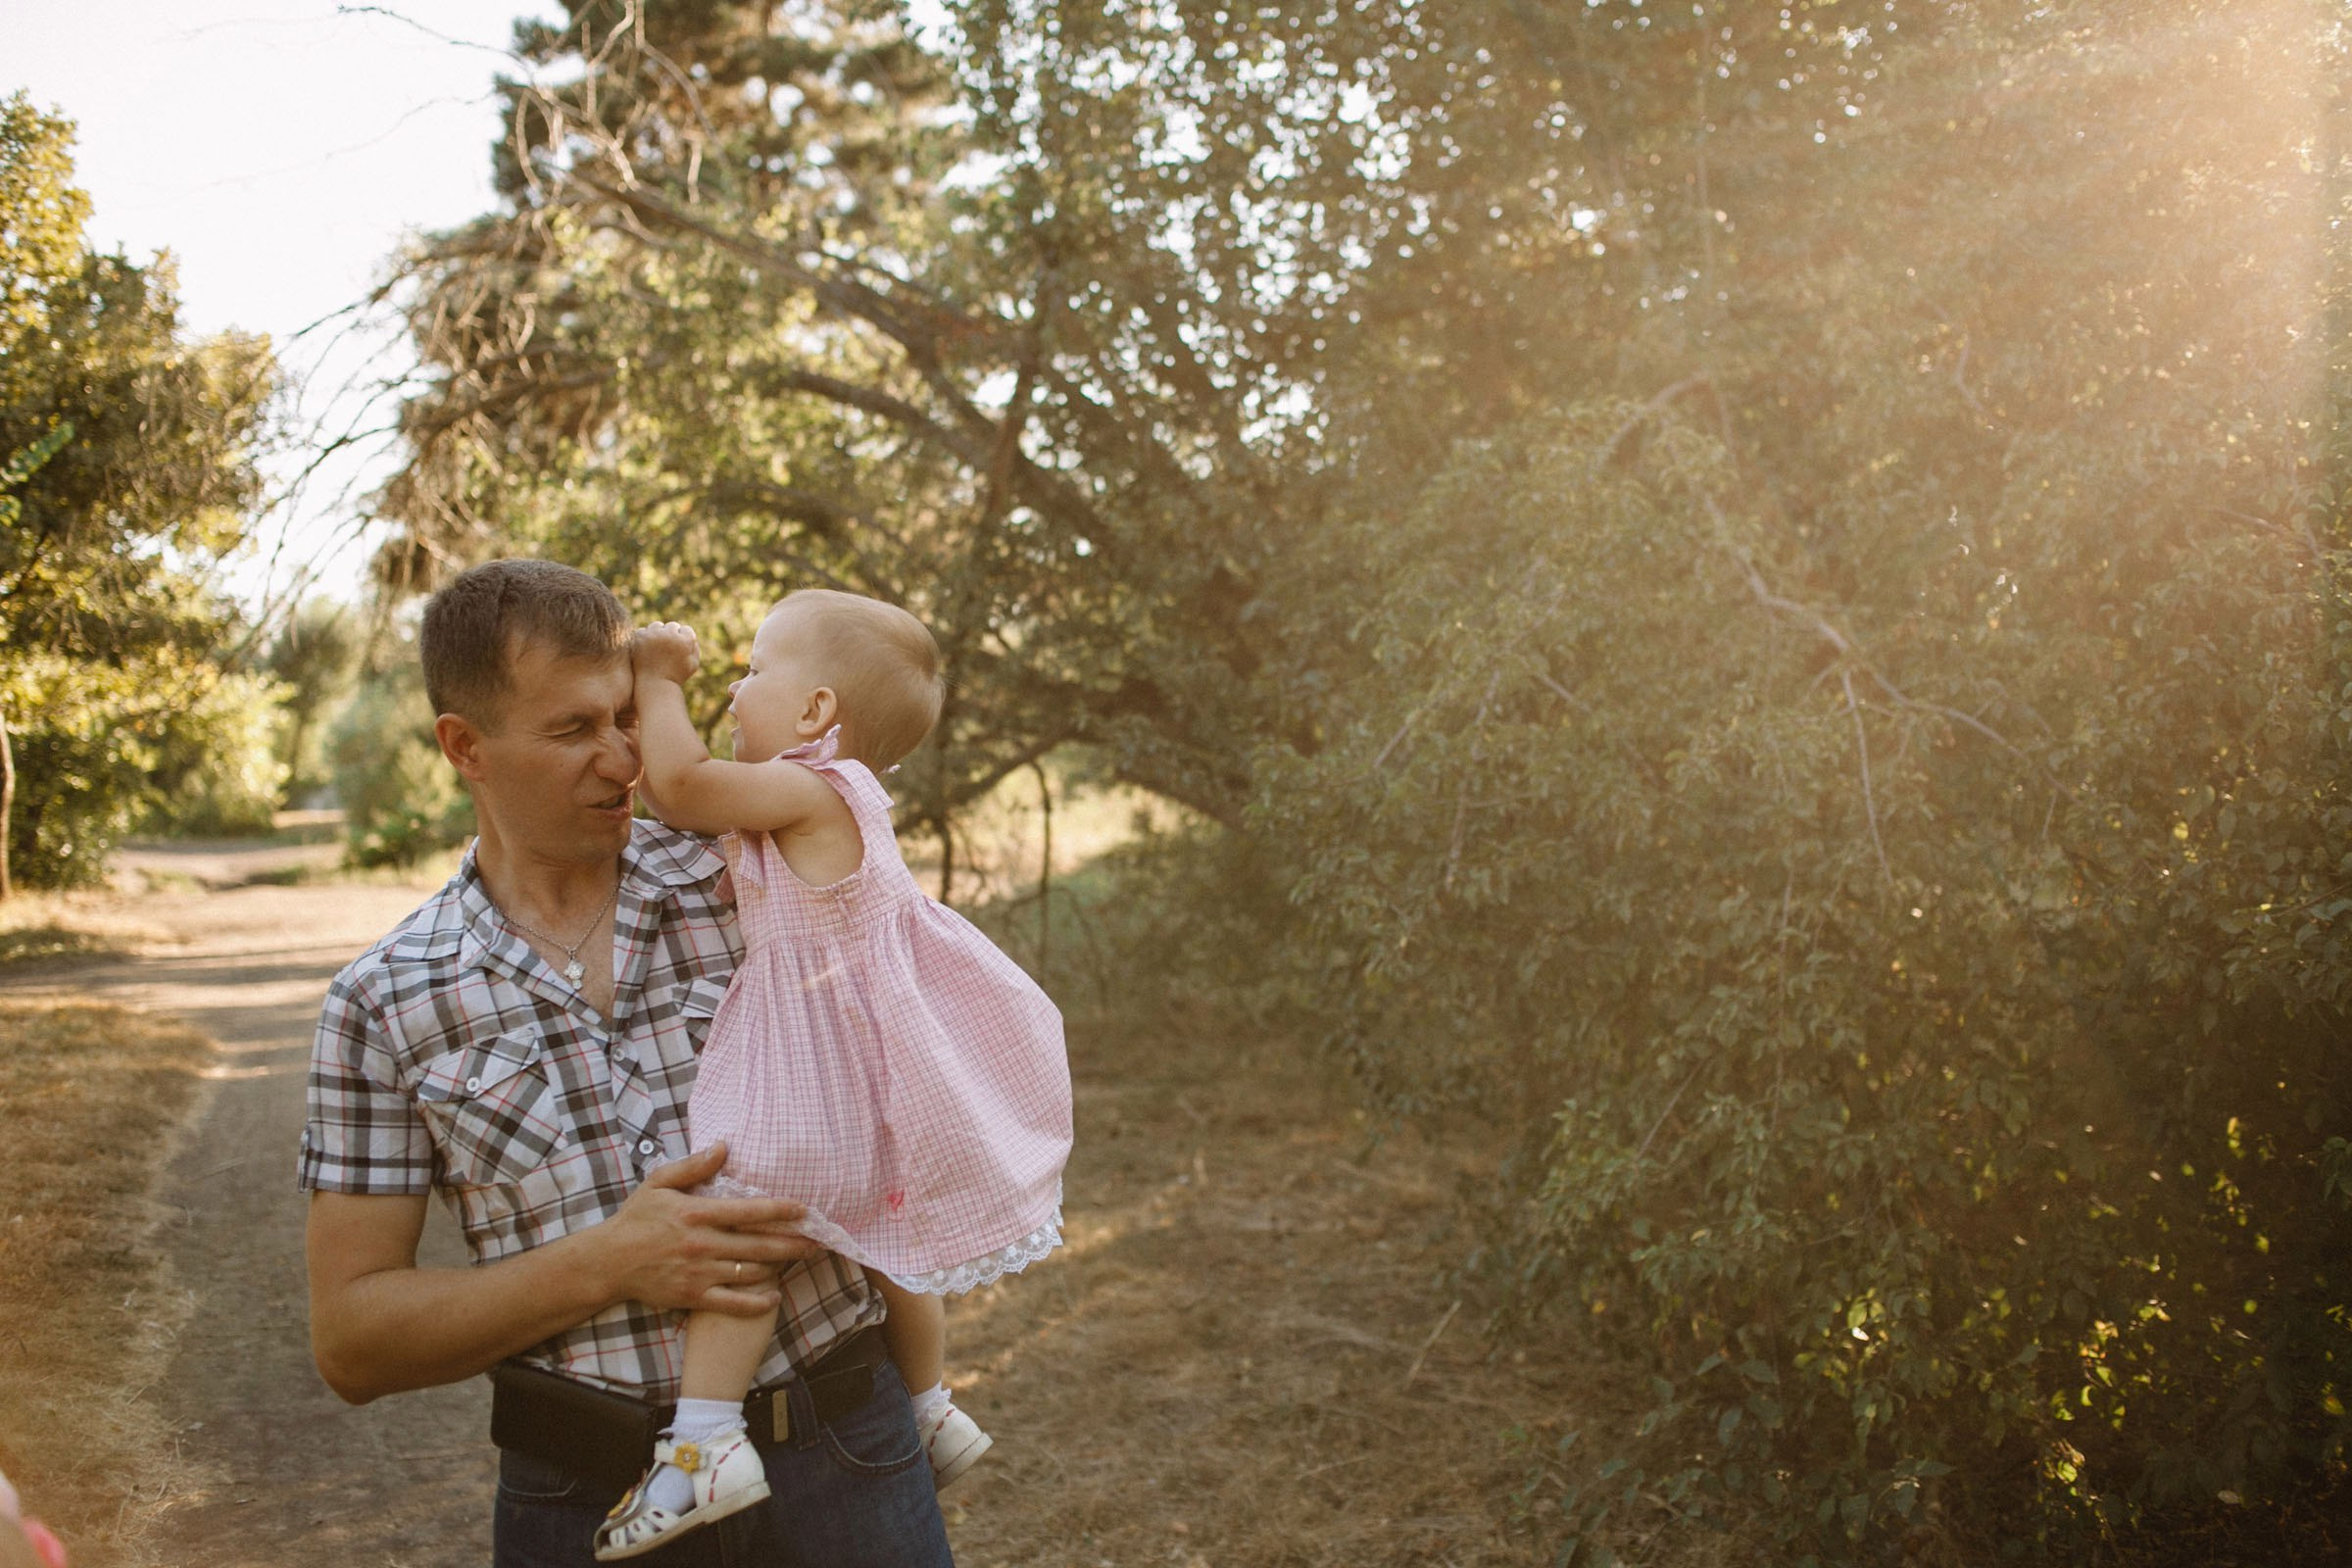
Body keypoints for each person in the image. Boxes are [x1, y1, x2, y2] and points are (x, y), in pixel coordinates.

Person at [300, 560, 955, 1567]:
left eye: (625, 716)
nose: (623, 757)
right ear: (464, 746)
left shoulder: (755, 884)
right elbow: (352, 1341)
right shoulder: (384, 1000)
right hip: (583, 1501)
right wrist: (609, 1260)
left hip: (847, 1459)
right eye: (573, 730)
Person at [593, 593, 1070, 1560]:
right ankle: (929, 1403)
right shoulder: (836, 802)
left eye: (754, 671)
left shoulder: (814, 789)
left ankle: (704, 1443)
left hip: (815, 1086)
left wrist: (656, 677)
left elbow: (678, 786)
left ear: (816, 712)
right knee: (893, 1235)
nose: (735, 689)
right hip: (872, 1086)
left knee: (740, 1229)